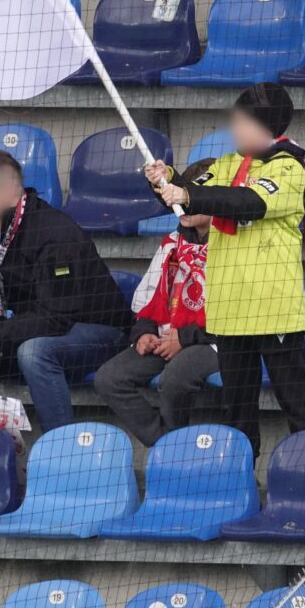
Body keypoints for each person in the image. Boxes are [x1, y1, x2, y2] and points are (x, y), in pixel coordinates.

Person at [144, 83, 305, 455]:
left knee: (296, 401)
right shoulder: (227, 164)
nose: (234, 128)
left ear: (263, 124)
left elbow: (249, 201)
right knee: (239, 413)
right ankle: (244, 475)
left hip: (273, 310)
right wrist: (165, 180)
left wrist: (188, 194)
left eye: (241, 121)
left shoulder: (288, 167)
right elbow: (190, 200)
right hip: (230, 313)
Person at [0, 149, 130, 433]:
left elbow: (54, 319)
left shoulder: (55, 233)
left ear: (9, 193)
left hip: (98, 334)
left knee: (35, 352)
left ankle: (59, 449)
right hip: (33, 329)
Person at [94, 160, 219, 446]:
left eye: (193, 198)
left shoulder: (234, 247)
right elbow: (149, 298)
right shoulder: (172, 243)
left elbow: (236, 316)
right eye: (182, 195)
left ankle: (172, 453)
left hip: (214, 341)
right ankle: (167, 445)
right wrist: (145, 332)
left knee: (175, 377)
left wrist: (185, 338)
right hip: (168, 336)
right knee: (109, 378)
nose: (183, 205)